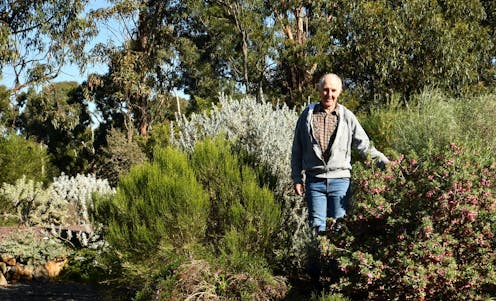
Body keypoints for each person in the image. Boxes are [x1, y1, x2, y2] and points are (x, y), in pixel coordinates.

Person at [291, 73, 389, 234]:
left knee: (339, 226)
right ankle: (318, 259)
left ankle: (334, 260)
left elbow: (364, 146)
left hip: (340, 181)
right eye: (325, 90)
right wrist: (296, 178)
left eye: (333, 90)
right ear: (319, 90)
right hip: (314, 181)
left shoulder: (347, 117)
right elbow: (297, 149)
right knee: (317, 227)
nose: (329, 94)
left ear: (340, 91)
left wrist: (386, 164)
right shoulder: (307, 115)